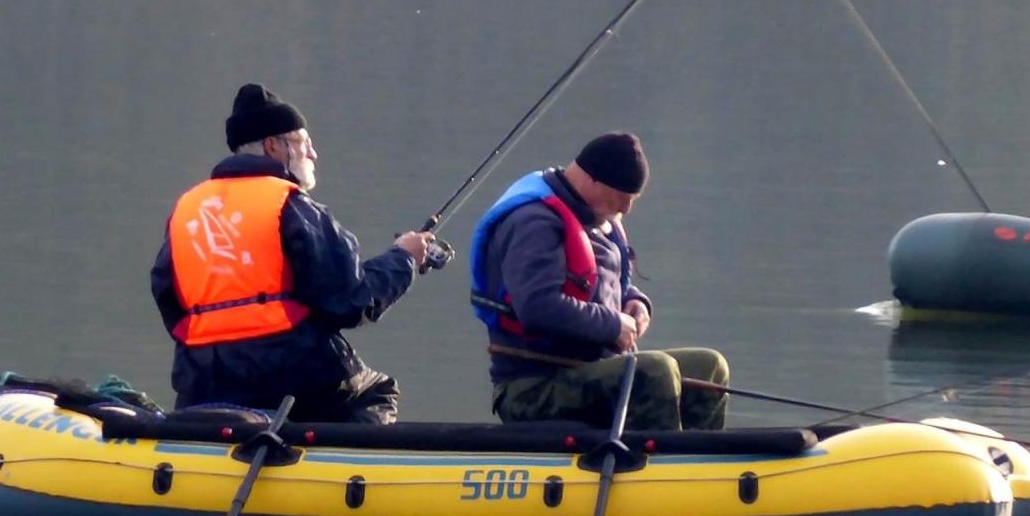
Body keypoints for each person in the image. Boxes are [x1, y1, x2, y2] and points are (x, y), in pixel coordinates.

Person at [151, 83, 435, 424]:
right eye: (305, 143)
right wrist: (404, 258)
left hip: (201, 380)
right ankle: (349, 471)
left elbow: (168, 298)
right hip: (292, 379)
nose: (313, 155)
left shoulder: (188, 209)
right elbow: (351, 303)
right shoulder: (292, 205)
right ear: (274, 146)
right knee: (376, 391)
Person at [469, 132, 729, 432]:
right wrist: (613, 325)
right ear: (593, 180)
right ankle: (655, 468)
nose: (626, 210)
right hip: (533, 389)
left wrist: (635, 302)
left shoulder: (595, 217)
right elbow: (537, 306)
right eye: (622, 198)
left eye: (633, 200)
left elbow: (597, 284)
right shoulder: (534, 223)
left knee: (709, 367)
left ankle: (700, 463)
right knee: (653, 371)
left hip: (591, 372)